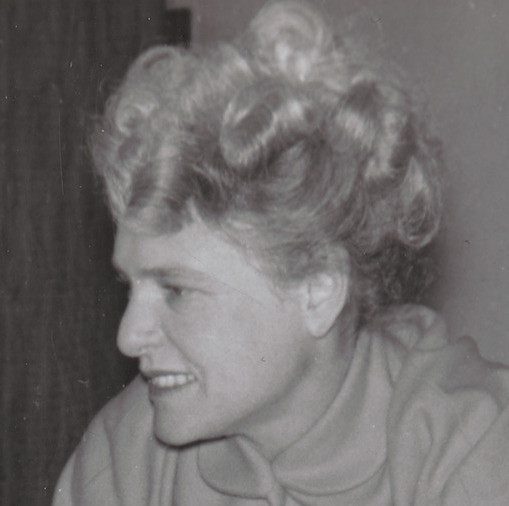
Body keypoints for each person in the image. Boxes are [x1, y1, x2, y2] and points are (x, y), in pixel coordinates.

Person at [52, 1, 509, 504]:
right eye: (129, 285)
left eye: (176, 289)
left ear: (316, 289)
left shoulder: (474, 449)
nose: (128, 336)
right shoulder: (125, 456)